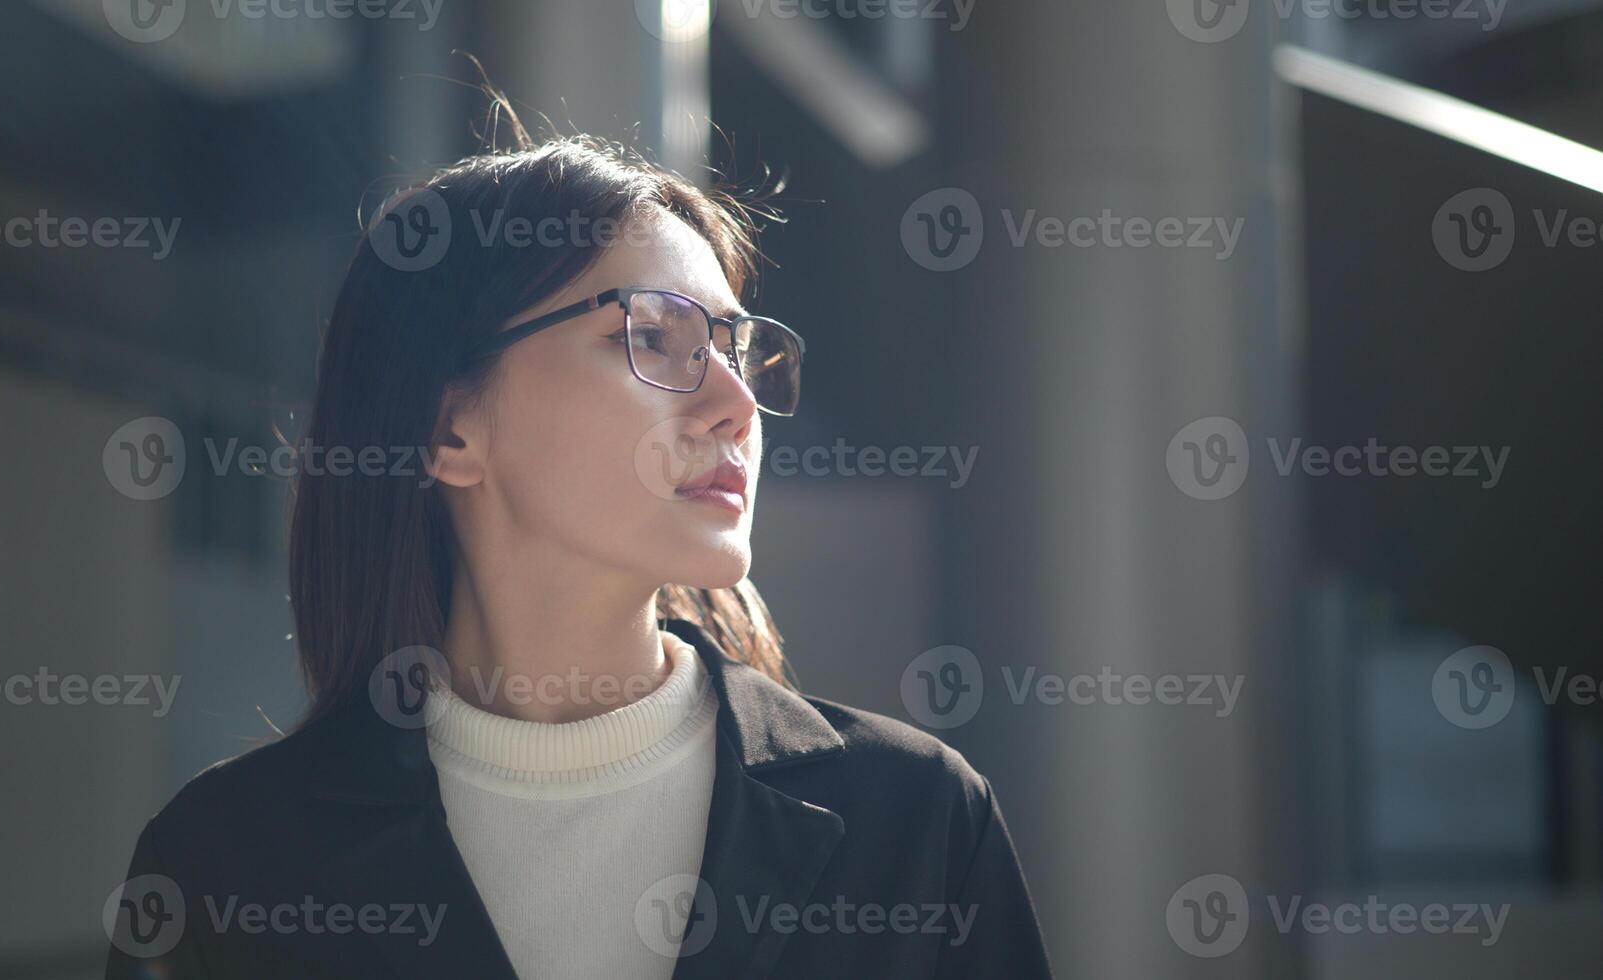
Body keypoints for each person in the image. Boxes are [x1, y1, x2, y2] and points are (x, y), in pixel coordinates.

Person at [105, 97, 1050, 980]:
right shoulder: (224, 866)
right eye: (653, 336)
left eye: (735, 348)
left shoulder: (917, 822)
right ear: (448, 432)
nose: (736, 404)